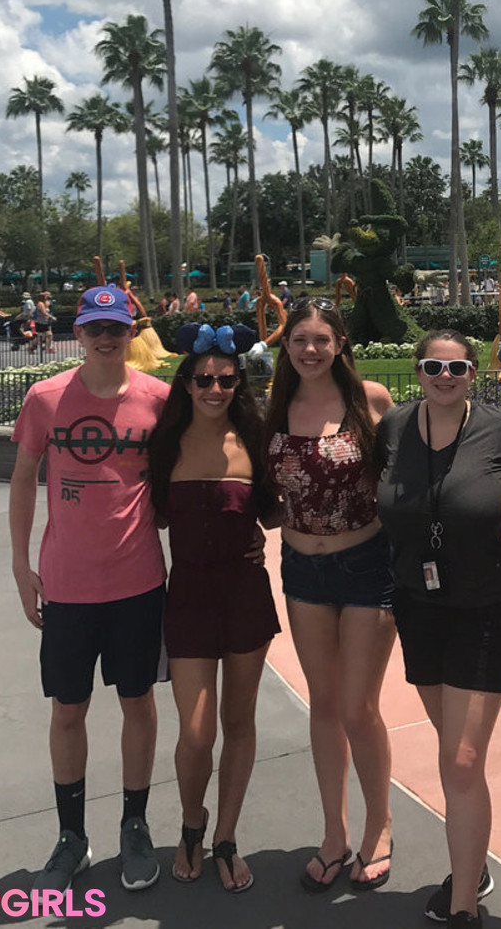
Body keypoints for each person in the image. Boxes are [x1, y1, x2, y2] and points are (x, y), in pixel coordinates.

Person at [9, 286, 167, 893]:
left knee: (138, 702)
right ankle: (71, 836)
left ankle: (135, 825)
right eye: (95, 327)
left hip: (138, 581)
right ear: (78, 333)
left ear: (130, 331)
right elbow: (23, 481)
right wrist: (21, 567)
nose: (105, 337)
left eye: (115, 327)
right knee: (68, 709)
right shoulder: (46, 398)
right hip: (68, 585)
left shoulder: (158, 399)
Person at [376, 331, 501, 929]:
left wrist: (482, 526)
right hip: (417, 601)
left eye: (457, 367)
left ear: (472, 372)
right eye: (433, 366)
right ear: (417, 371)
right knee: (453, 750)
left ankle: (464, 903)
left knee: (460, 760)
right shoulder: (394, 426)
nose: (445, 376)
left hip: (485, 602)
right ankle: (474, 863)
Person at [265, 298, 396, 894]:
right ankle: (334, 832)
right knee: (323, 704)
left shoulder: (370, 401)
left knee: (357, 706)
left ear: (341, 343)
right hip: (302, 570)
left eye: (321, 339)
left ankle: (379, 824)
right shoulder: (274, 407)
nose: (310, 350)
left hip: (366, 564)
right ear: (286, 346)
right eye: (300, 340)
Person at [147, 322, 281, 891]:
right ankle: (191, 822)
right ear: (187, 383)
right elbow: (150, 515)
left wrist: (267, 532)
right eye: (203, 379)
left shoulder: (255, 439)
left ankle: (225, 836)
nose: (215, 389)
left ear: (238, 383)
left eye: (226, 380)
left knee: (239, 722)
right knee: (197, 733)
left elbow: (274, 512)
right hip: (189, 598)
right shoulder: (165, 444)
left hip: (245, 595)